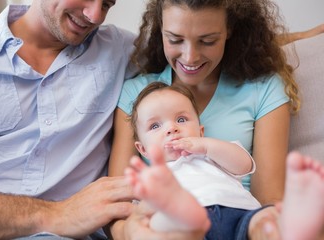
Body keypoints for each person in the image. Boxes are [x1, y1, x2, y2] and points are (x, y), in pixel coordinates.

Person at [107, 0, 303, 238]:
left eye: (208, 41)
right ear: (161, 29)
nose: (190, 57)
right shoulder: (136, 95)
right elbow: (118, 205)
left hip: (240, 214)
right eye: (175, 39)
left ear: (229, 29)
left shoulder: (263, 88)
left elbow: (269, 199)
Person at [0, 0, 142, 239]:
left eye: (107, 4)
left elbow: (187, 38)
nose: (95, 16)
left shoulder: (122, 51)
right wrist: (56, 214)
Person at [124, 83, 324, 239]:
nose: (171, 128)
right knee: (157, 225)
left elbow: (244, 164)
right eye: (155, 126)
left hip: (239, 212)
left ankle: (293, 225)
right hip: (186, 226)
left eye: (182, 120)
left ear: (201, 131)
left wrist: (206, 146)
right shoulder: (150, 178)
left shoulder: (212, 153)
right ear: (143, 150)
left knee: (265, 220)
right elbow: (136, 218)